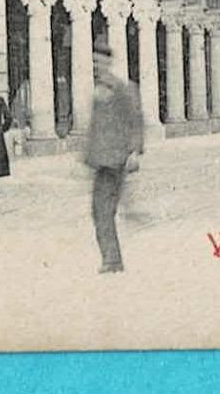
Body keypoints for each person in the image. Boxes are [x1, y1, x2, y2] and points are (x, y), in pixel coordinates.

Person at [84, 42, 143, 273]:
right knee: (101, 211)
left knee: (102, 211)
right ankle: (112, 259)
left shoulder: (122, 89)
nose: (96, 66)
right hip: (101, 159)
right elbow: (95, 126)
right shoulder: (98, 89)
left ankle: (112, 260)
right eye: (93, 62)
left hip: (115, 159)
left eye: (99, 62)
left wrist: (134, 151)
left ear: (109, 62)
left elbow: (135, 120)